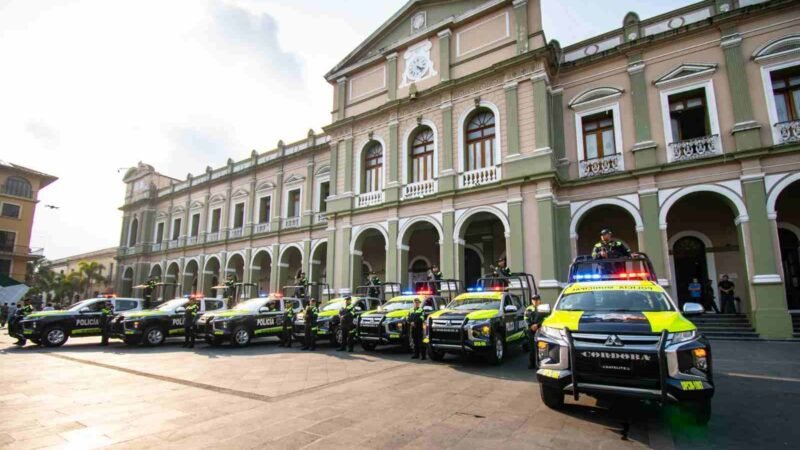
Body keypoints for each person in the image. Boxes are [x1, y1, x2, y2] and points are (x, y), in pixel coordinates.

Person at [525, 297, 545, 369]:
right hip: (531, 330)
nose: (535, 301)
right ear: (532, 301)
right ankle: (532, 363)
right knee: (532, 347)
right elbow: (526, 318)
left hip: (541, 329)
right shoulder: (528, 308)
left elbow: (546, 319)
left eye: (537, 300)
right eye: (534, 300)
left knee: (541, 347)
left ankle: (540, 364)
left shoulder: (544, 308)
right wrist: (531, 325)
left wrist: (538, 325)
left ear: (540, 300)